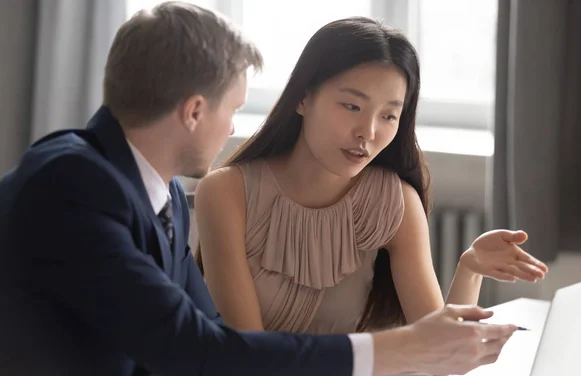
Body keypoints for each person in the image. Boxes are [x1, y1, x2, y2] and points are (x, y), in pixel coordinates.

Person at [0, 2, 518, 376]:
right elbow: (212, 354)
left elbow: (204, 342)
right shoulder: (70, 184)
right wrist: (397, 348)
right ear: (194, 112)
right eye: (234, 109)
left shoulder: (164, 198)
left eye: (389, 114)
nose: (232, 127)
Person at [194, 16, 548, 334]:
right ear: (303, 99)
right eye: (352, 106)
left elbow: (440, 354)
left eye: (389, 116)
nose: (369, 132)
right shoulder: (227, 192)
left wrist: (470, 268)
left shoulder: (394, 202)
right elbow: (248, 354)